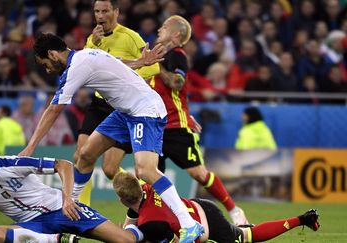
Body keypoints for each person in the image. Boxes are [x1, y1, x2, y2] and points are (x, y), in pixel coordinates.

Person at [19, 33, 203, 242]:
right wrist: (140, 62)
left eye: (45, 64)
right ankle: (73, 216)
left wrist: (30, 146)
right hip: (124, 112)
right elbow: (117, 63)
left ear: (52, 54)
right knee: (86, 155)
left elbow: (54, 109)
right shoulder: (87, 54)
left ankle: (188, 223)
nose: (48, 69)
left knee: (145, 170)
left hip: (145, 111)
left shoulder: (76, 66)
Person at [0, 134, 144, 243]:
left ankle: (141, 221)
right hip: (33, 227)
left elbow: (62, 165)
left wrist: (67, 199)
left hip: (64, 210)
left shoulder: (13, 164)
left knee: (126, 240)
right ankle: (57, 240)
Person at [153, 15, 248, 225]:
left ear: (176, 33)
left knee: (198, 173)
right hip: (154, 126)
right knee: (150, 176)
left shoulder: (176, 56)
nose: (160, 28)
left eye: (165, 26)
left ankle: (234, 211)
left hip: (176, 127)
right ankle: (146, 222)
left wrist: (157, 67)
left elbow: (178, 83)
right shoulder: (156, 57)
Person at [77, 0, 161, 205]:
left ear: (116, 12)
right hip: (99, 103)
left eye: (105, 11)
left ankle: (144, 195)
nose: (100, 16)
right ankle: (82, 210)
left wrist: (125, 76)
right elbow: (88, 67)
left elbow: (154, 67)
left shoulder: (130, 37)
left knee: (109, 169)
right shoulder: (92, 39)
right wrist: (93, 45)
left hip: (122, 107)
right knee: (81, 156)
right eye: (96, 11)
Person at [113, 172, 320, 243]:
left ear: (123, 199)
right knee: (246, 233)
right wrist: (126, 233)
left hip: (208, 223)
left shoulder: (151, 223)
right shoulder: (145, 187)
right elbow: (134, 213)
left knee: (248, 238)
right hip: (199, 206)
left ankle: (302, 219)